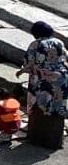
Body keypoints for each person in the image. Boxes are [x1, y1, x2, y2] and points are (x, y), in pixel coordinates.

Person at [18, 20, 67, 148]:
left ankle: (38, 140)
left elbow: (29, 63)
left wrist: (22, 70)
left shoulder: (36, 44)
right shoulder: (59, 42)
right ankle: (54, 141)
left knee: (39, 107)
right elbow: (65, 59)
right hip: (60, 79)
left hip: (42, 80)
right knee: (56, 108)